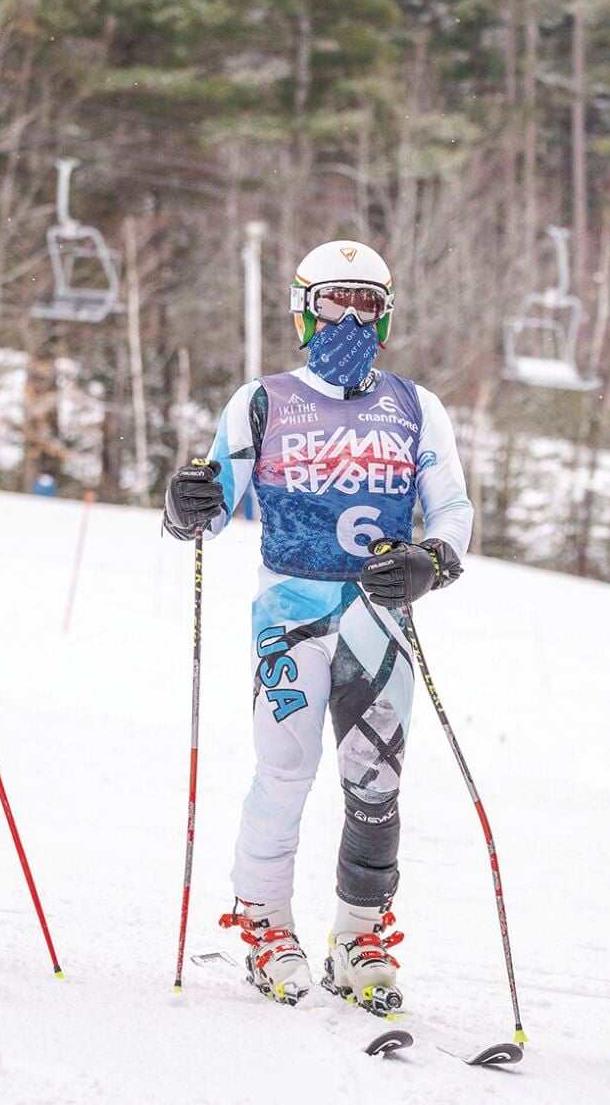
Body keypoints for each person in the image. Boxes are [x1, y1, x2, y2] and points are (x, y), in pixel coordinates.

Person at [161, 241, 474, 1015]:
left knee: (376, 785)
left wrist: (432, 560)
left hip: (379, 620)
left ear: (387, 315)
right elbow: (206, 503)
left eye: (367, 304)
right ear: (304, 311)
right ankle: (265, 923)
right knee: (285, 771)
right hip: (292, 617)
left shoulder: (414, 403)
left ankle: (359, 935)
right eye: (335, 301)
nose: (350, 318)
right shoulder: (261, 399)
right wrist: (184, 503)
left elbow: (454, 510)